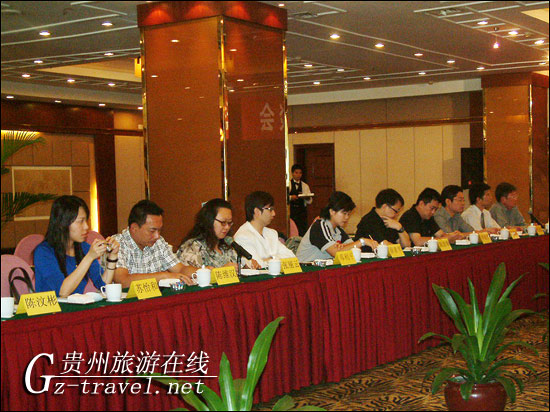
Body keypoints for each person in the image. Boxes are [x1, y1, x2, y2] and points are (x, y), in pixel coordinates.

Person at [34, 195, 119, 297]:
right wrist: (89, 257)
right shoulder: (44, 252)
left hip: (76, 306)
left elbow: (103, 286)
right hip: (51, 307)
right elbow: (62, 292)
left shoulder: (84, 248)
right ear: (63, 223)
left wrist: (112, 257)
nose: (86, 227)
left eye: (86, 221)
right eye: (80, 221)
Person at [113, 200, 195, 288]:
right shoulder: (117, 243)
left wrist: (202, 272)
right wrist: (164, 276)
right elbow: (122, 281)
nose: (157, 236)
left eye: (159, 230)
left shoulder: (158, 242)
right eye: (152, 231)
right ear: (134, 228)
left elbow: (180, 269)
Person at [176, 199, 260, 269]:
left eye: (229, 223)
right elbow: (192, 277)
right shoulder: (192, 247)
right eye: (223, 222)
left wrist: (247, 266)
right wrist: (221, 271)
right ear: (209, 220)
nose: (227, 227)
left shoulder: (226, 246)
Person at [297, 191, 378, 262]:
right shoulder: (319, 226)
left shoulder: (338, 229)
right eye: (344, 213)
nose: (347, 217)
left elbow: (356, 249)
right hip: (305, 271)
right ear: (332, 211)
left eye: (348, 214)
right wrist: (362, 241)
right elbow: (336, 253)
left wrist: (344, 247)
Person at [233, 191, 295, 268]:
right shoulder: (242, 236)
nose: (274, 213)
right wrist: (276, 258)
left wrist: (271, 258)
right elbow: (257, 265)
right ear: (257, 211)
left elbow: (292, 257)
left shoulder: (272, 233)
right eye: (270, 209)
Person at [289, 164, 313, 236]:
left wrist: (307, 198)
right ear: (292, 173)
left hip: (301, 212)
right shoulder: (288, 184)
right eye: (296, 173)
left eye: (300, 173)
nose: (298, 175)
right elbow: (284, 198)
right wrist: (291, 197)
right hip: (292, 211)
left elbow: (310, 201)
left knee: (302, 230)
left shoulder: (305, 186)